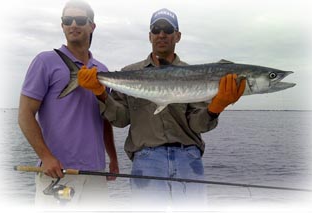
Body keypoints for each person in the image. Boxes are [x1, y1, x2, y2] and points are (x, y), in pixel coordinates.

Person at [78, 8, 245, 210]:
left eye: (167, 29)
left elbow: (197, 124)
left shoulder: (196, 74)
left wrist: (217, 107)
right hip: (146, 159)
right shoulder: (130, 73)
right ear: (150, 36)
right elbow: (121, 120)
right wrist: (101, 93)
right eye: (156, 29)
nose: (162, 34)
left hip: (188, 158)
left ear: (178, 35)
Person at [18, 0, 119, 209]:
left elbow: (104, 119)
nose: (73, 24)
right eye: (67, 20)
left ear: (92, 26)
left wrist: (113, 158)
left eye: (80, 20)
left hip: (95, 173)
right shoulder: (45, 61)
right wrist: (46, 157)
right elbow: (25, 115)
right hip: (57, 172)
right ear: (62, 25)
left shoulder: (102, 70)